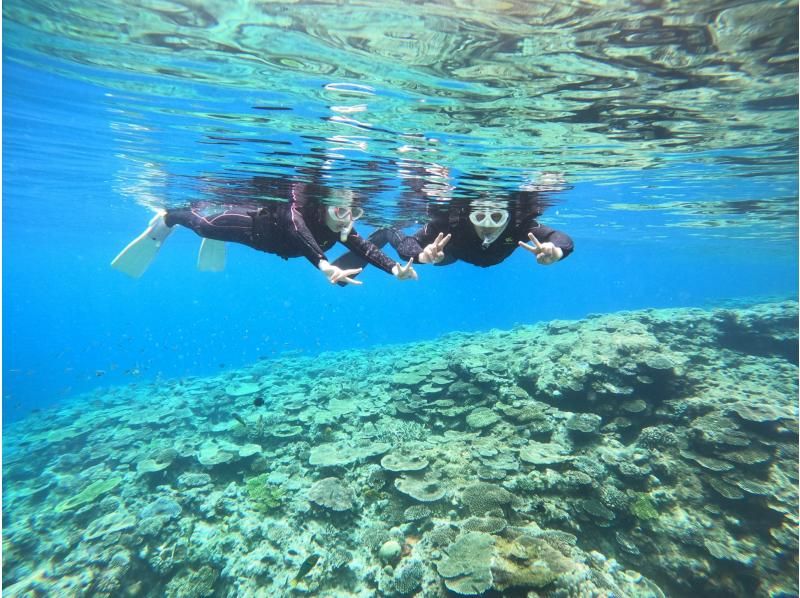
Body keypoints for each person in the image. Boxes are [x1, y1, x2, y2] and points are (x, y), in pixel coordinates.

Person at [111, 180, 418, 286]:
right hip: (253, 229)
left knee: (214, 232)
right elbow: (297, 231)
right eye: (340, 211)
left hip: (269, 246)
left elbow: (366, 248)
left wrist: (394, 269)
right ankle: (168, 219)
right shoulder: (298, 210)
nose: (348, 219)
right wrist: (325, 265)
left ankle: (211, 234)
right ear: (324, 206)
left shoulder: (342, 227)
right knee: (205, 225)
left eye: (354, 212)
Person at [334, 192, 573, 274]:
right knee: (391, 230)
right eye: (479, 216)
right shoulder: (451, 224)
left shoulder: (519, 226)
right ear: (469, 215)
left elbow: (561, 239)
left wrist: (557, 251)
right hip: (448, 254)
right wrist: (421, 256)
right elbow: (409, 242)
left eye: (497, 216)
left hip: (470, 255)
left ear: (508, 215)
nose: (488, 224)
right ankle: (368, 247)